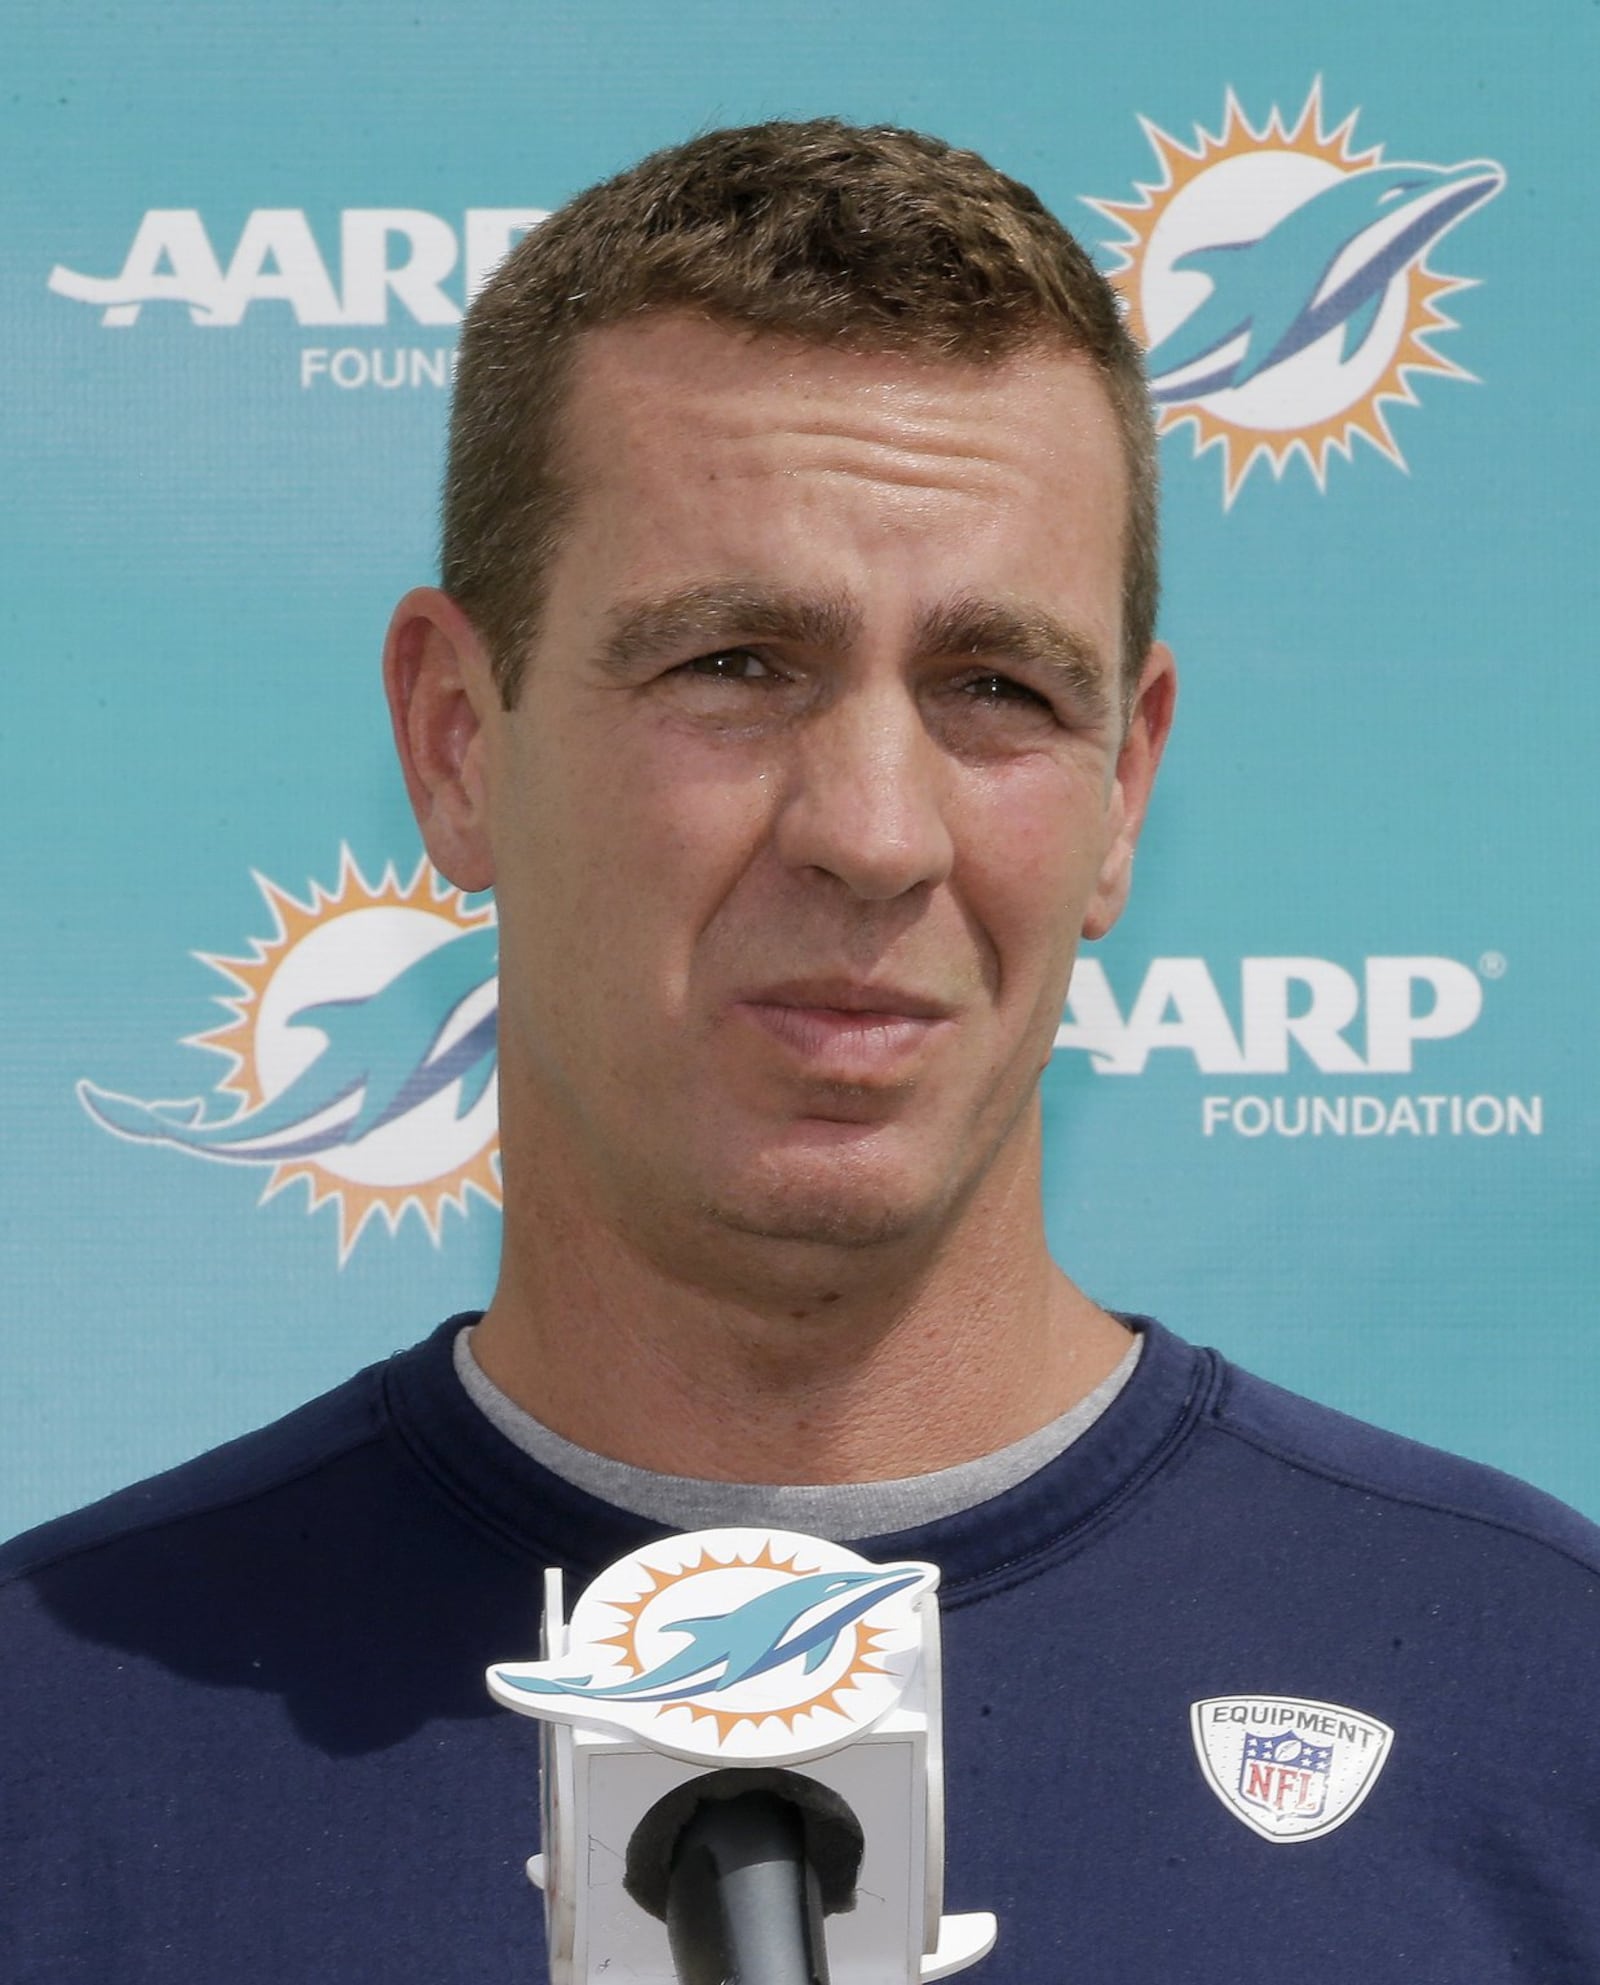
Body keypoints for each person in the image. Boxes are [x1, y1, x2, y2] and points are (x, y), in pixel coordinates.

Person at [3, 120, 1597, 1982]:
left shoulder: (1538, 1707)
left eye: (996, 687)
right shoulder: (54, 1751)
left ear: (1123, 790)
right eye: (736, 664)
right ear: (455, 741)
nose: (874, 830)